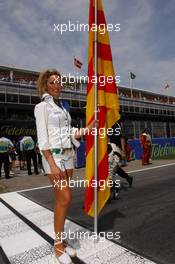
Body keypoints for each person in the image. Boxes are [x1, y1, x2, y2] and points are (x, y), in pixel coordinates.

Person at [34, 69, 95, 264]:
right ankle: (58, 245)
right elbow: (43, 139)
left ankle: (62, 241)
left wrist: (88, 129)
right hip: (54, 158)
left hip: (69, 156)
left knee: (62, 201)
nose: (57, 85)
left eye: (59, 82)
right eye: (53, 82)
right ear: (45, 86)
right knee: (66, 197)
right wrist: (52, 164)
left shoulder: (62, 108)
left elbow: (69, 133)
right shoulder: (42, 107)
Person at [109, 122, 133, 188]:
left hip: (116, 148)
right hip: (108, 148)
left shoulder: (116, 124)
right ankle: (128, 177)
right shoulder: (106, 123)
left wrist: (123, 150)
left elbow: (121, 138)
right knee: (115, 168)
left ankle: (111, 186)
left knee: (112, 167)